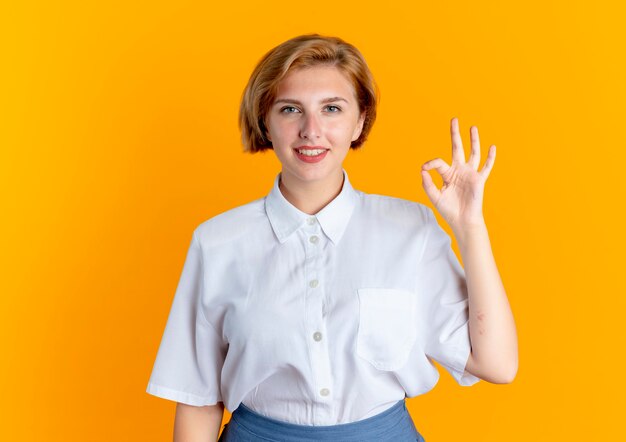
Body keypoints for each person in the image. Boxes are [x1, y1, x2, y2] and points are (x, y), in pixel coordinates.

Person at [146, 33, 518, 442]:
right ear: (264, 121)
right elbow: (198, 397)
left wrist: (470, 229)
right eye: (290, 109)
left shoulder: (412, 229)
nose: (311, 130)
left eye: (332, 109)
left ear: (359, 121)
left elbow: (496, 364)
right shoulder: (216, 242)